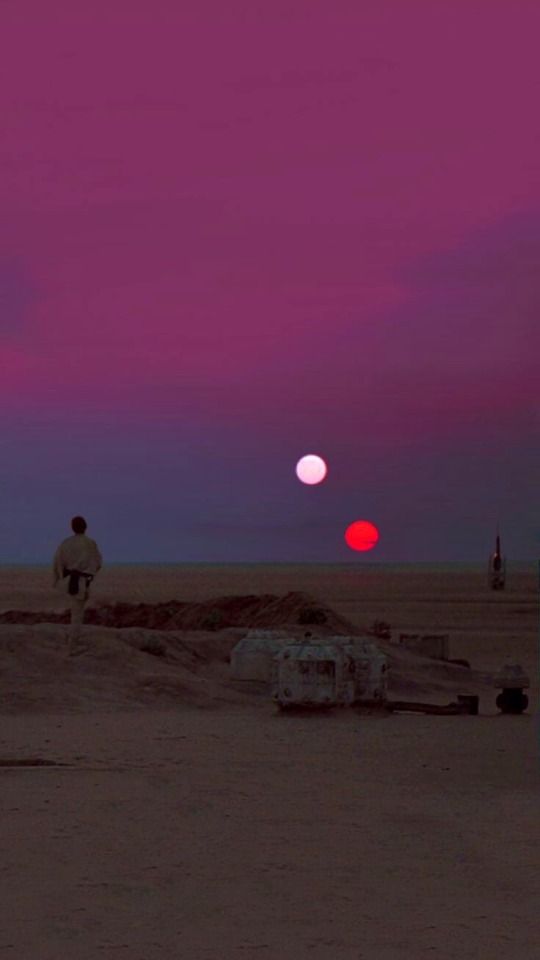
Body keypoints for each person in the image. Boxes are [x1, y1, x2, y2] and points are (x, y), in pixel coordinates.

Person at [52, 516, 103, 656]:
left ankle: (73, 643)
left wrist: (59, 578)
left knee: (75, 612)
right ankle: (72, 648)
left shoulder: (66, 543)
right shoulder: (90, 543)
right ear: (85, 527)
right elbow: (97, 563)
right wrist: (88, 574)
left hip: (69, 581)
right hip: (80, 582)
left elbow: (57, 563)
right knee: (77, 614)